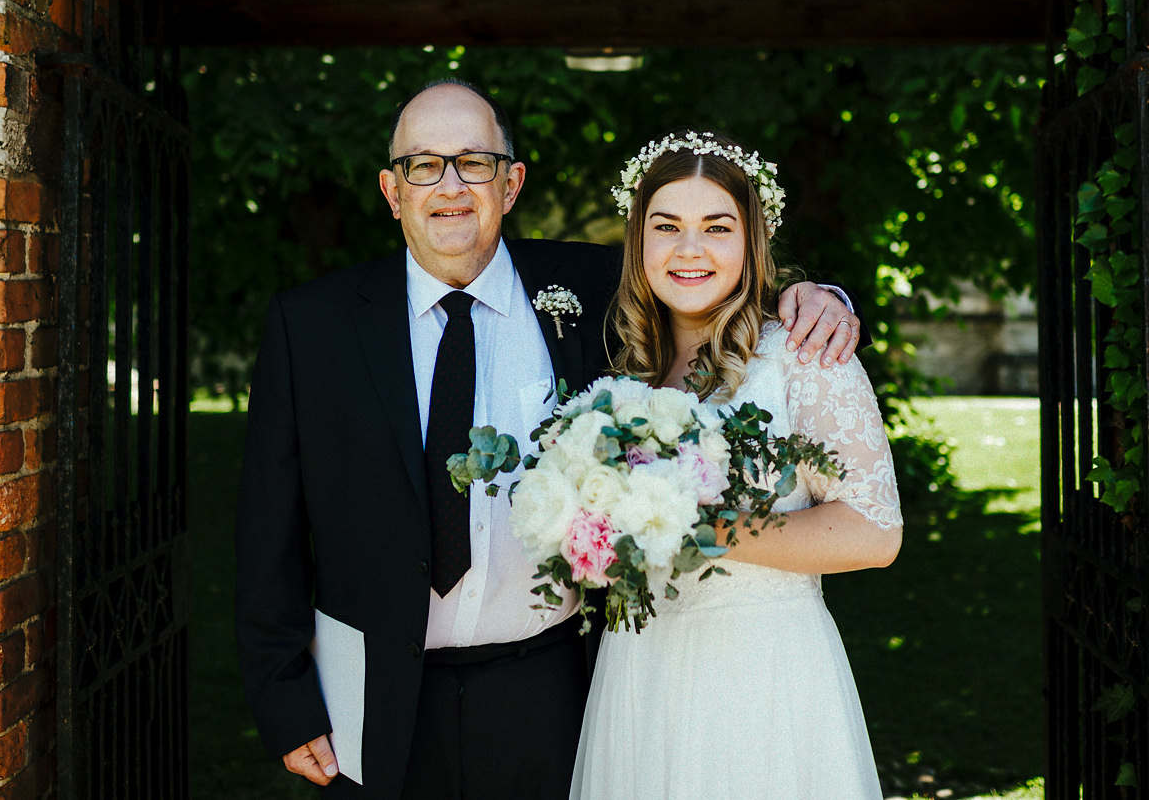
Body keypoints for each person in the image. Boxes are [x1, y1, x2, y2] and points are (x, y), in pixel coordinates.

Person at [234, 82, 864, 799]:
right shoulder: (311, 325)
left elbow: (710, 274)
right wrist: (284, 700)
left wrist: (822, 297)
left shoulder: (599, 290)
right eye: (423, 165)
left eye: (474, 162)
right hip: (372, 699)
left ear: (511, 182)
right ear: (391, 188)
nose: (450, 186)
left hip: (553, 690)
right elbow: (267, 535)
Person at [569, 131, 903, 800]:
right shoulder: (623, 370)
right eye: (667, 226)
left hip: (762, 676)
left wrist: (715, 530)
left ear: (753, 240)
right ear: (639, 241)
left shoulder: (806, 353)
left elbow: (875, 531)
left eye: (716, 227)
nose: (690, 249)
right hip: (640, 669)